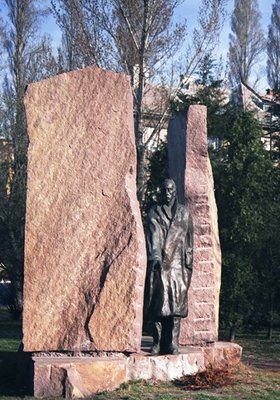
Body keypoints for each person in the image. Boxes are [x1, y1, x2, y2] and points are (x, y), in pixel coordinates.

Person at [144, 179, 193, 355]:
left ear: (175, 191)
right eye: (164, 190)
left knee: (176, 306)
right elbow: (153, 235)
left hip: (179, 265)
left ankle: (172, 342)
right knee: (158, 304)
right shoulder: (154, 212)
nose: (167, 193)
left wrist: (188, 265)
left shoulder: (184, 213)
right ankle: (157, 342)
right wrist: (155, 257)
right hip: (160, 264)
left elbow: (189, 242)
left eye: (170, 190)